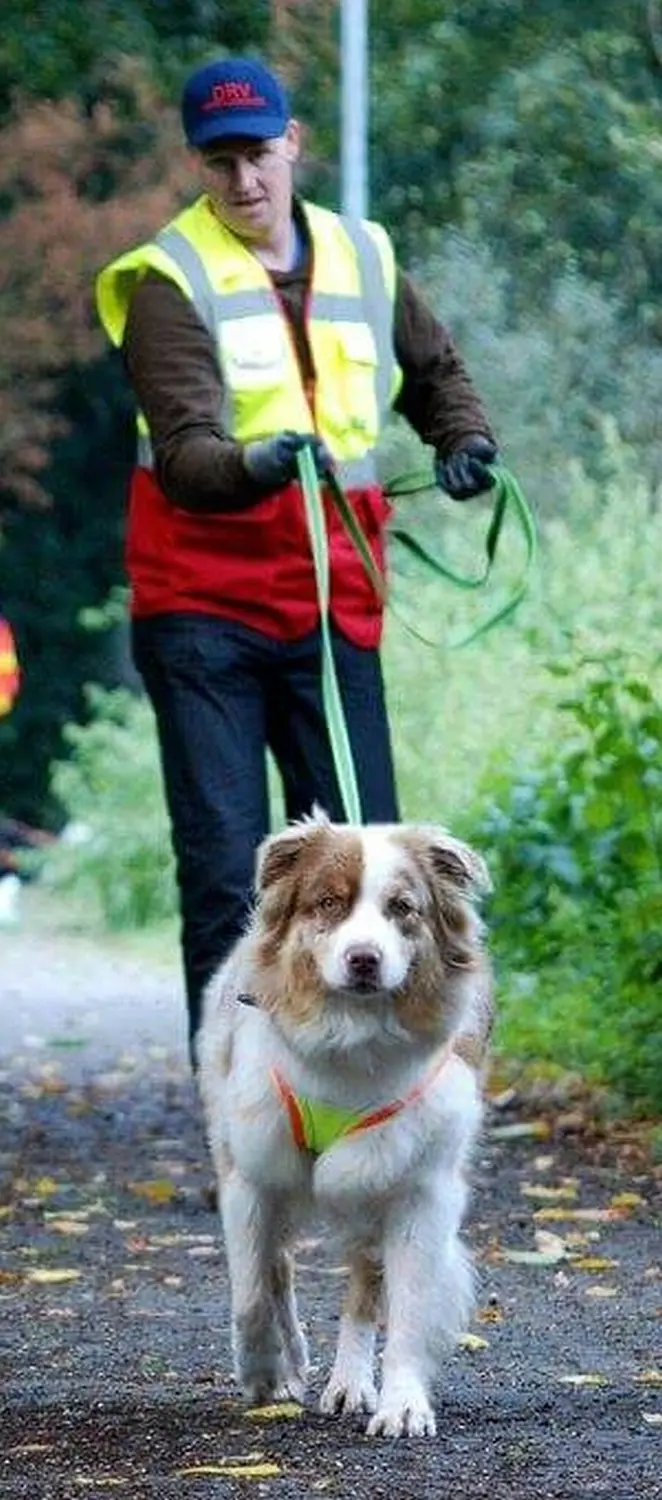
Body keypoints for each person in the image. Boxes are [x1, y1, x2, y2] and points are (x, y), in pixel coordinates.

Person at [95, 55, 499, 1058]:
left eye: (259, 156)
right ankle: (238, 1091)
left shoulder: (362, 254)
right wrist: (265, 460)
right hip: (202, 613)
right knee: (231, 870)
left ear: (293, 146)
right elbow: (187, 456)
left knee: (371, 857)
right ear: (198, 164)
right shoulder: (164, 280)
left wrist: (461, 439)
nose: (243, 182)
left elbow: (431, 365)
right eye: (221, 162)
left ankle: (379, 1082)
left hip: (332, 608)